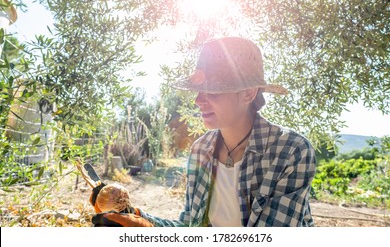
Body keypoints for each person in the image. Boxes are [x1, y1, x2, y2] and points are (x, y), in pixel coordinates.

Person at [92, 37, 316, 227]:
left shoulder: (291, 151)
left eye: (213, 91)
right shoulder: (201, 150)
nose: (199, 100)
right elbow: (190, 226)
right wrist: (138, 219)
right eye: (199, 90)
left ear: (248, 93)